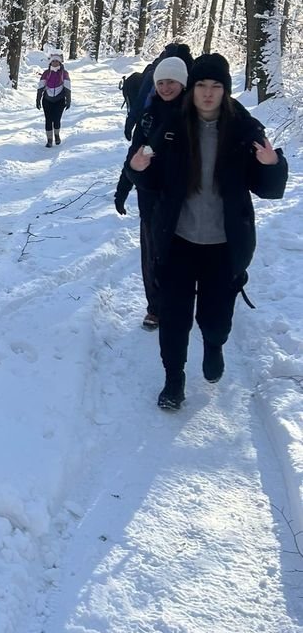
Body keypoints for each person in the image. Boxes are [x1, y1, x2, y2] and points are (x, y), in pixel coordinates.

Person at [126, 54, 288, 411]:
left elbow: (268, 188)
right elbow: (152, 180)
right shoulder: (172, 128)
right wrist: (137, 170)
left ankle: (214, 346)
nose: (208, 93)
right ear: (192, 89)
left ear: (225, 90)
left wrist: (272, 165)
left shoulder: (243, 131)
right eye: (201, 85)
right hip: (178, 241)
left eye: (216, 86)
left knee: (215, 319)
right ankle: (173, 380)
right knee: (174, 317)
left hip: (223, 245)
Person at [114, 54, 188, 330]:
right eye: (161, 83)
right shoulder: (148, 116)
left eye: (171, 82)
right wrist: (122, 189)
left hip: (185, 198)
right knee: (153, 253)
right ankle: (155, 307)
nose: (166, 88)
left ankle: (181, 299)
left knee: (182, 253)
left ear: (182, 83)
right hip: (150, 196)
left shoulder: (193, 115)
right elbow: (133, 154)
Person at [36, 50, 72, 146]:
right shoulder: (46, 73)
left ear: (60, 62)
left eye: (57, 61)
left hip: (60, 100)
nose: (55, 63)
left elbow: (67, 87)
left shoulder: (64, 73)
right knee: (48, 120)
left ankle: (56, 135)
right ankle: (49, 140)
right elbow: (40, 87)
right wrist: (38, 99)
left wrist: (68, 100)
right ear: (50, 62)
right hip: (47, 100)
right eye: (53, 61)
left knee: (56, 119)